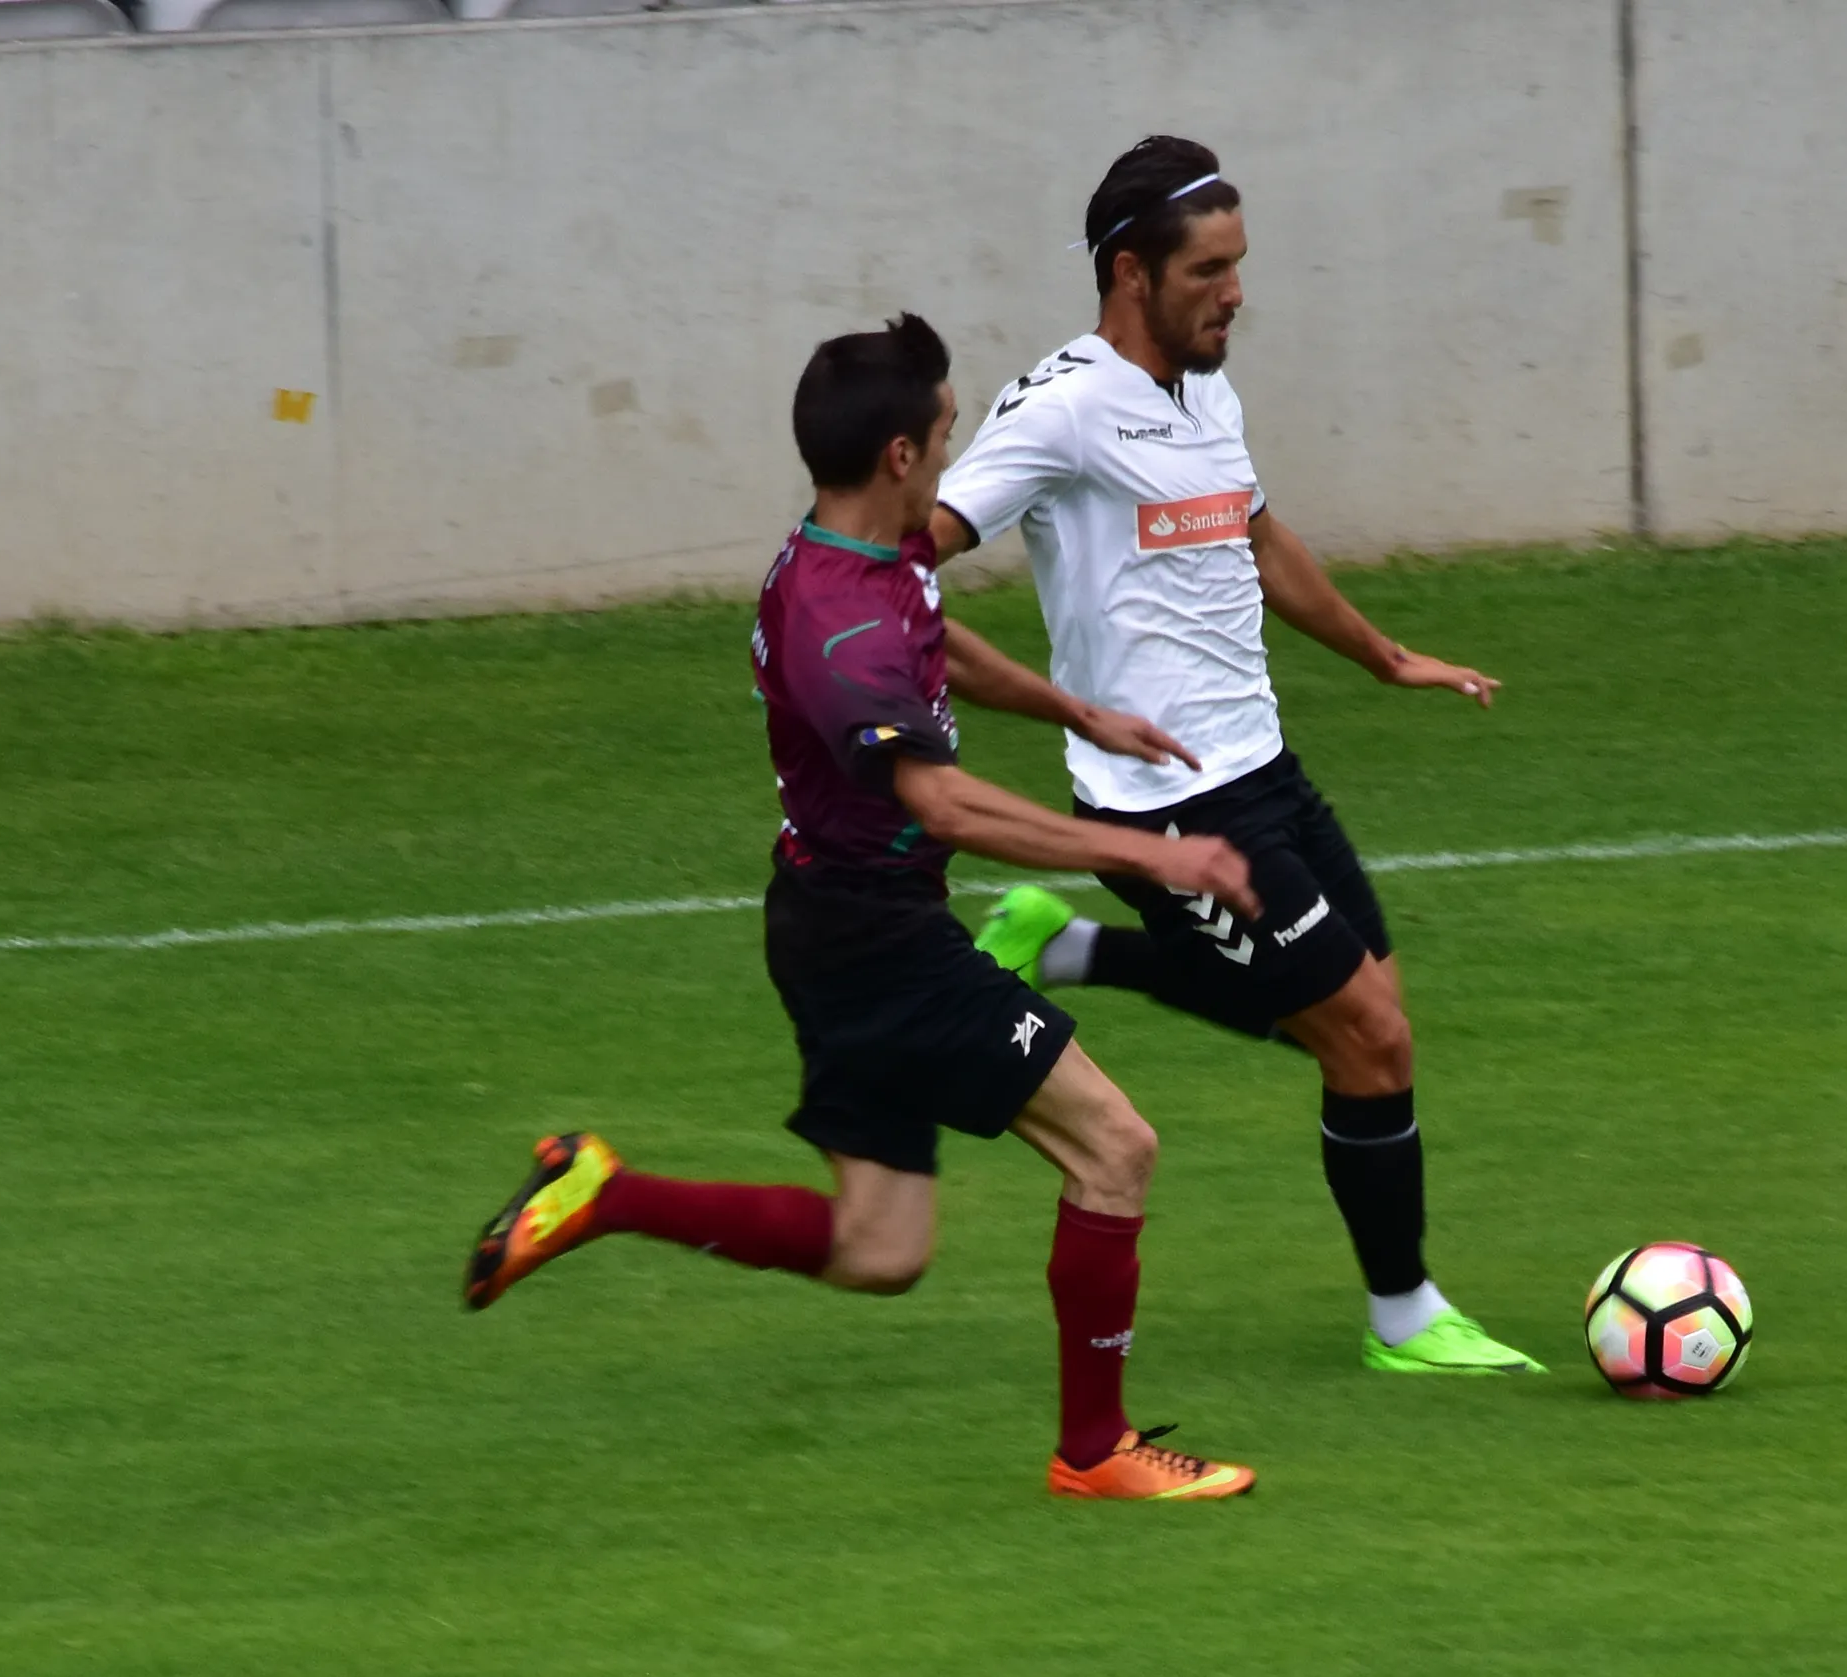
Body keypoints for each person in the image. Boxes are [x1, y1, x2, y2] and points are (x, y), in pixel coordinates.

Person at [464, 313, 1261, 1500]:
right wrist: (1149, 856)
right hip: (879, 942)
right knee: (1116, 1147)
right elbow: (941, 802)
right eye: (944, 434)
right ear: (899, 454)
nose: (950, 453)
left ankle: (602, 1194)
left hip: (830, 925)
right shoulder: (837, 626)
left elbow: (933, 635)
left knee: (879, 1250)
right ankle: (1095, 1451)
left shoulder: (870, 555)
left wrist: (1075, 712)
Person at [927, 137, 1545, 1376]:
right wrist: (1056, 707)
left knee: (1368, 1019)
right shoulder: (1059, 410)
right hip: (1164, 805)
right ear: (1129, 272)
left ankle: (1071, 949)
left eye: (1238, 265)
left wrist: (1383, 658)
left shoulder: (1205, 389)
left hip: (1262, 769)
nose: (1235, 294)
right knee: (1365, 1037)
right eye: (1208, 271)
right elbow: (893, 573)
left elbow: (1260, 543)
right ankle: (1404, 1319)